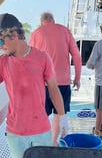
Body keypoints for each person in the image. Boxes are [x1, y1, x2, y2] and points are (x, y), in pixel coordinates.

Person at [0, 13, 69, 158]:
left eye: (1, 40)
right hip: (15, 133)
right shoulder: (1, 62)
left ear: (14, 34)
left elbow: (53, 89)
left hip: (42, 129)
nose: (0, 45)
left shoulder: (42, 57)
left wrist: (63, 116)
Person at [29, 12, 82, 145]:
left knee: (43, 115)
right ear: (53, 20)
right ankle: (53, 142)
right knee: (59, 114)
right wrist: (77, 77)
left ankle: (44, 142)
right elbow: (76, 56)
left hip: (43, 83)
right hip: (62, 82)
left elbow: (29, 59)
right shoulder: (65, 31)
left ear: (42, 22)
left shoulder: (36, 33)